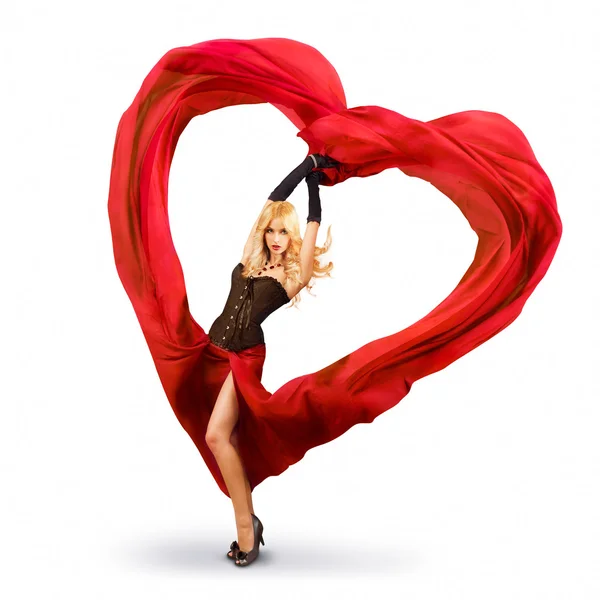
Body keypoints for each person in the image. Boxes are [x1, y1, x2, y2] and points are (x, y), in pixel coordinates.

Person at [204, 153, 339, 567]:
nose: (276, 237)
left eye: (284, 232)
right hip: (212, 349)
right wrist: (306, 164)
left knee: (216, 436)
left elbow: (311, 227)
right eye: (272, 231)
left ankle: (247, 531)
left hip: (245, 354)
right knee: (219, 438)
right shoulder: (250, 258)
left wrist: (314, 185)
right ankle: (250, 523)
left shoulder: (290, 276)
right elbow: (268, 206)